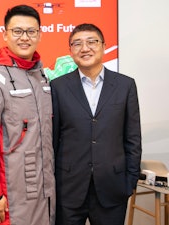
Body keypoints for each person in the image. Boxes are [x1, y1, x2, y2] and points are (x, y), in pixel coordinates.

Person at [0, 5, 55, 225]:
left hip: (44, 192)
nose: (24, 37)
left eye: (31, 31)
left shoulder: (42, 77)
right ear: (5, 34)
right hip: (10, 194)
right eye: (17, 31)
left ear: (39, 34)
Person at [51, 23, 142, 225]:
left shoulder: (125, 85)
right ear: (70, 50)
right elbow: (52, 139)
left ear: (103, 45)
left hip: (113, 186)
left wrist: (131, 181)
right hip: (69, 188)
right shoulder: (58, 86)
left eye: (92, 42)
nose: (85, 48)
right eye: (77, 44)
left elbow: (133, 138)